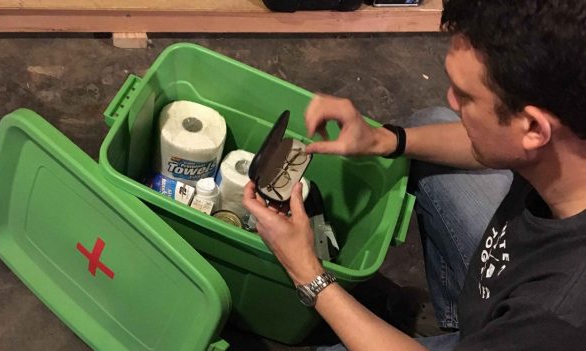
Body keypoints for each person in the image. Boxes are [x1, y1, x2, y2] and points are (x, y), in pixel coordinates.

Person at [243, 0, 586, 349]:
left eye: (466, 97)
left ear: (533, 128)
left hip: (525, 326)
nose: (452, 100)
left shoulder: (557, 317)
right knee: (433, 126)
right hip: (506, 299)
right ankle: (465, 324)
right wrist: (382, 140)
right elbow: (496, 142)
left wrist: (308, 273)